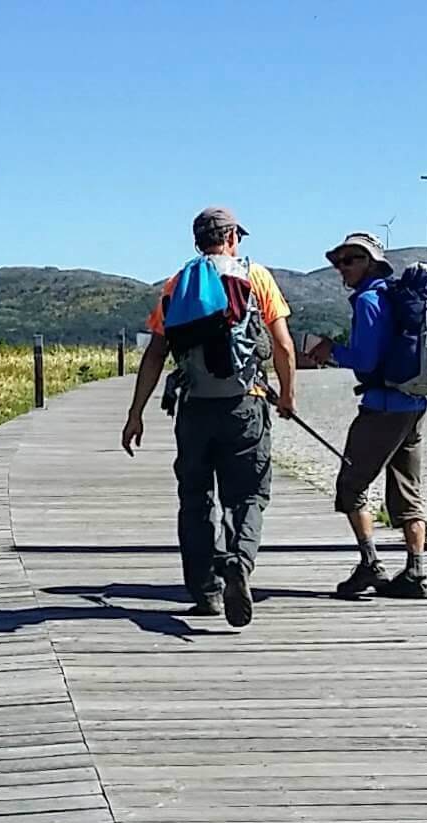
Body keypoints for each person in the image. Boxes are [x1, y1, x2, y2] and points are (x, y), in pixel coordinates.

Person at [122, 207, 296, 626]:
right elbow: (284, 347)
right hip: (245, 405)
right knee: (249, 494)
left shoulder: (177, 284)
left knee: (196, 500)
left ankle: (206, 591)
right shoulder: (257, 278)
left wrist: (135, 414)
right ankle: (239, 561)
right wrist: (287, 396)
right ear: (233, 236)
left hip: (195, 408)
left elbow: (155, 355)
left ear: (197, 241)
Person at [306, 232, 427, 600]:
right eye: (340, 261)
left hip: (382, 407)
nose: (342, 267)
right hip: (414, 404)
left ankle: (370, 563)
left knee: (352, 485)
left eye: (351, 260)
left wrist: (331, 351)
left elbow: (366, 361)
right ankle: (415, 572)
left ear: (371, 263)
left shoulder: (369, 302)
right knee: (408, 490)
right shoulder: (396, 298)